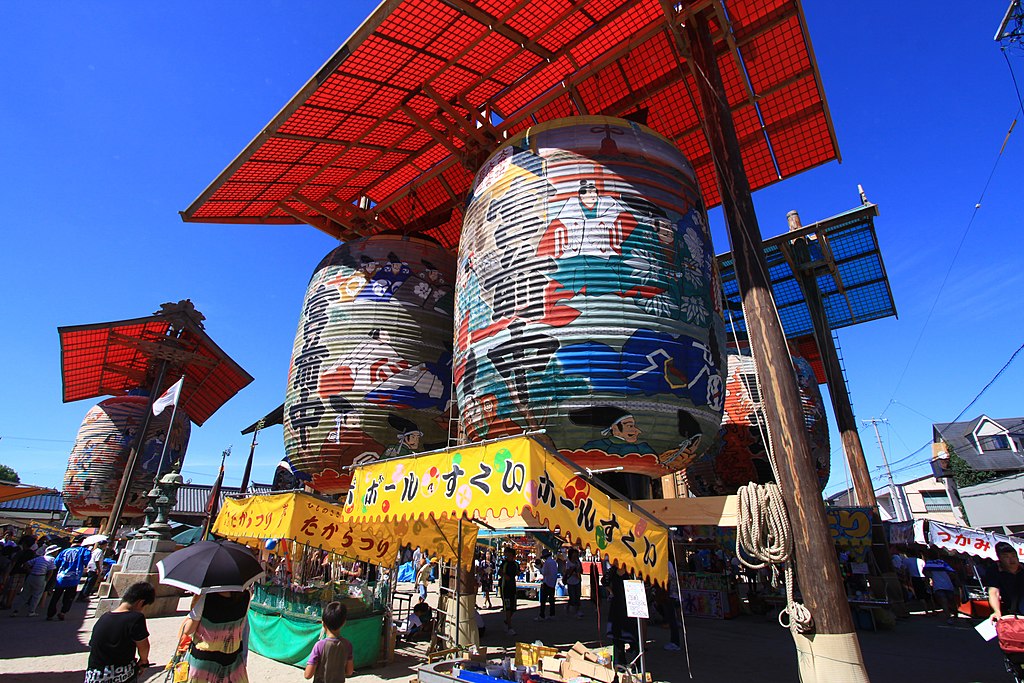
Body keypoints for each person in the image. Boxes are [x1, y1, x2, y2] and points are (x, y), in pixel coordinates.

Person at [84, 581, 154, 683]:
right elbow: (143, 645)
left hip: (94, 676)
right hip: (119, 675)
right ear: (141, 603)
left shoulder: (104, 618)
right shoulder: (135, 618)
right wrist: (144, 661)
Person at [178, 590, 251, 682]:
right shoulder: (246, 596)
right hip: (232, 660)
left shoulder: (206, 598)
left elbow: (188, 630)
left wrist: (191, 612)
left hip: (204, 663)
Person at [304, 601, 354, 683]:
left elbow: (308, 675)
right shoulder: (347, 645)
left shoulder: (319, 646)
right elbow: (349, 671)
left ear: (323, 623)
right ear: (344, 623)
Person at [47, 536, 92, 621]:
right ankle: (63, 612)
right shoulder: (84, 551)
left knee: (56, 596)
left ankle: (50, 613)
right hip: (73, 578)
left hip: (61, 577)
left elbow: (56, 562)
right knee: (69, 597)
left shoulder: (64, 551)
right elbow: (86, 561)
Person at [10, 543, 57, 616]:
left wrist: (30, 571)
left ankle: (16, 611)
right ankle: (31, 611)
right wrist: (46, 580)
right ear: (53, 552)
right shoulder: (52, 559)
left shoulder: (40, 557)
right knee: (37, 595)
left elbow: (26, 564)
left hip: (31, 576)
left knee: (24, 594)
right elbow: (51, 571)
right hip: (41, 577)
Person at [988, 541, 1024, 620]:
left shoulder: (1022, 568)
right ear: (999, 558)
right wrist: (997, 611)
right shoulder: (994, 570)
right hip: (1007, 612)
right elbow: (993, 592)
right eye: (1006, 557)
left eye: (1013, 556)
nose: (1011, 560)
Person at [2, 535, 37, 609]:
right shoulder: (32, 553)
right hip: (24, 572)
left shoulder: (20, 552)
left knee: (11, 588)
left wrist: (8, 573)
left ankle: (7, 603)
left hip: (15, 571)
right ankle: (10, 602)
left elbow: (13, 562)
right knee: (16, 589)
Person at [923, 558, 960, 624]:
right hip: (948, 585)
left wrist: (928, 585)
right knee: (952, 601)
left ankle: (949, 618)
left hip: (938, 586)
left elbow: (926, 575)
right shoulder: (943, 563)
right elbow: (952, 573)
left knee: (944, 602)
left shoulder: (929, 565)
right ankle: (955, 615)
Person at [498, 546, 520, 636]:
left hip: (513, 586)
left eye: (509, 555)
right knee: (507, 607)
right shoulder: (504, 563)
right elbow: (499, 572)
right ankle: (510, 627)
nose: (507, 556)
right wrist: (504, 575)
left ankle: (506, 622)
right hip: (505, 587)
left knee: (513, 608)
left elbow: (518, 572)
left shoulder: (515, 564)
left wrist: (518, 573)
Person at [536, 550, 558, 621]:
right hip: (552, 582)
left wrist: (539, 568)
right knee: (551, 599)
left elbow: (544, 572)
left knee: (543, 600)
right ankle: (552, 614)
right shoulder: (554, 562)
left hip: (547, 582)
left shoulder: (547, 563)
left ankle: (542, 615)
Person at [563, 548, 583, 618]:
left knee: (577, 596)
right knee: (572, 597)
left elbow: (581, 570)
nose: (575, 557)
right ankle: (570, 608)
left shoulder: (578, 562)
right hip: (570, 581)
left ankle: (577, 611)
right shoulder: (568, 563)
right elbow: (567, 572)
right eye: (574, 555)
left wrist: (578, 572)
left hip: (577, 581)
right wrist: (573, 571)